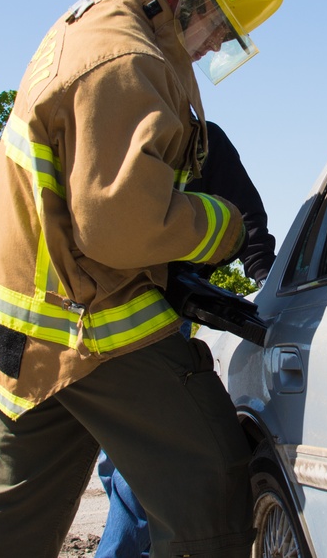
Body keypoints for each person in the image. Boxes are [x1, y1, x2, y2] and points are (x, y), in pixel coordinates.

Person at [0, 0, 283, 558]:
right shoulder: (126, 56)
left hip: (21, 324)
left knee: (14, 516)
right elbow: (117, 222)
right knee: (211, 477)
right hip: (87, 321)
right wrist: (220, 227)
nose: (216, 43)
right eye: (219, 22)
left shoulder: (102, 25)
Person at [94, 120, 277, 558]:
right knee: (127, 459)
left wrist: (267, 279)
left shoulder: (204, 140)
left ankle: (129, 546)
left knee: (133, 459)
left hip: (153, 313)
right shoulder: (113, 130)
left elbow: (246, 213)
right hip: (100, 309)